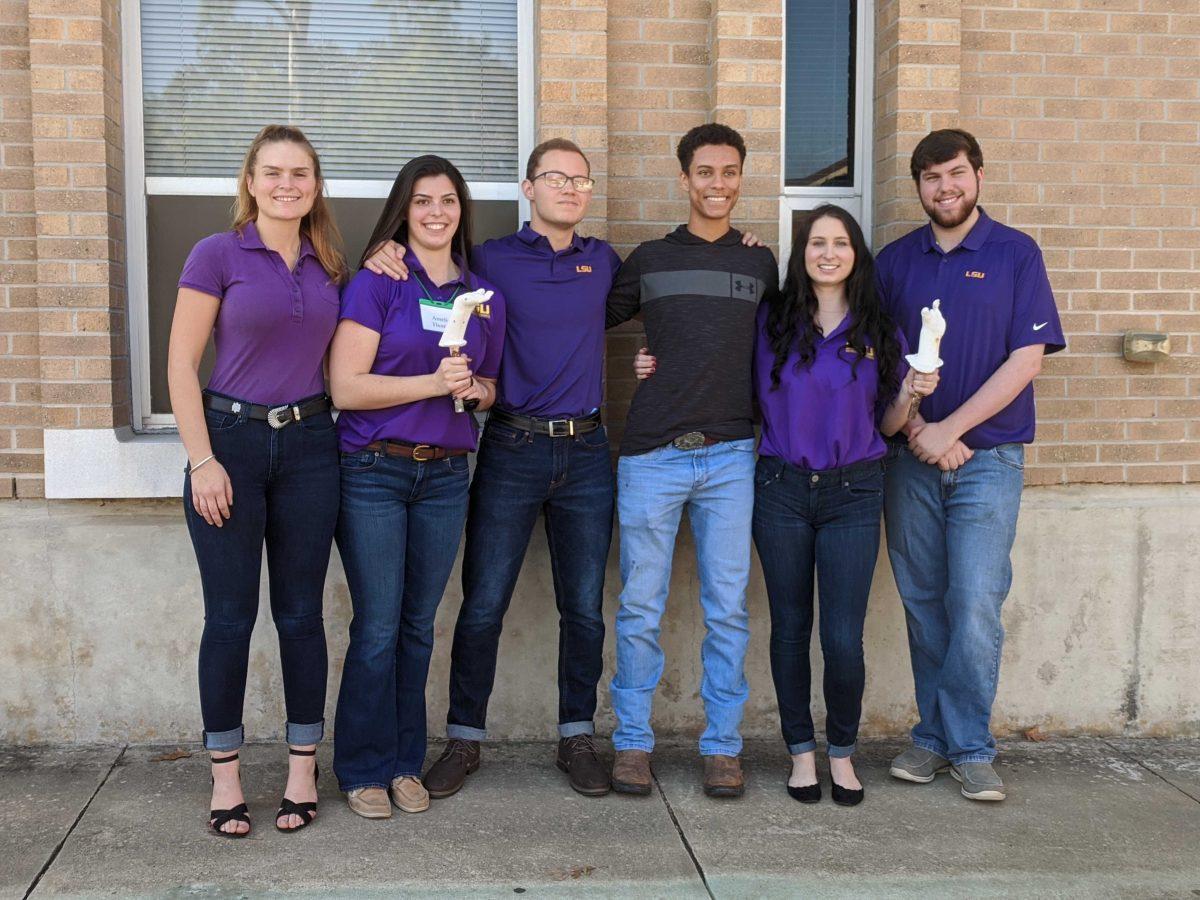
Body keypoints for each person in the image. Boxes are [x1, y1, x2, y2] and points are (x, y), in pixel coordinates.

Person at [167, 124, 348, 836]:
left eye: (299, 173)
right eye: (272, 172)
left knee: (301, 616)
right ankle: (226, 778)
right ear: (250, 181)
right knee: (230, 617)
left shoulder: (329, 262)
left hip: (310, 445)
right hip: (231, 445)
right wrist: (202, 459)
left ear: (315, 185)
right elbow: (181, 365)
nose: (286, 184)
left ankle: (303, 771)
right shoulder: (217, 253)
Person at [876, 129, 1064, 802]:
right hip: (911, 460)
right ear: (919, 186)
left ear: (977, 175)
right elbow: (881, 362)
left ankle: (969, 746)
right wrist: (923, 430)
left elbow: (1027, 359)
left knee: (976, 603)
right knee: (925, 605)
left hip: (989, 461)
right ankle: (933, 739)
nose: (944, 187)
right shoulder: (896, 261)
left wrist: (952, 429)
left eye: (955, 173)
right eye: (930, 177)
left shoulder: (1016, 254)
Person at [329, 155, 505, 820]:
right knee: (376, 627)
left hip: (446, 476)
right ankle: (360, 766)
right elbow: (345, 387)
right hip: (374, 469)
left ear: (462, 210)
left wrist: (474, 388)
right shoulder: (381, 280)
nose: (437, 211)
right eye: (423, 200)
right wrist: (433, 384)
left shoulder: (484, 298)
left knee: (416, 628)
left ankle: (405, 762)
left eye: (449, 200)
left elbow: (489, 389)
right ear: (405, 209)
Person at [605, 123, 778, 799]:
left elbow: (787, 346)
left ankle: (723, 747)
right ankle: (632, 743)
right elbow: (581, 322)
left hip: (732, 456)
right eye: (705, 172)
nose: (717, 184)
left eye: (729, 171)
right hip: (651, 456)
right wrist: (638, 359)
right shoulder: (648, 259)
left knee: (728, 609)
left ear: (741, 177)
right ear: (684, 179)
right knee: (640, 608)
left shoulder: (761, 263)